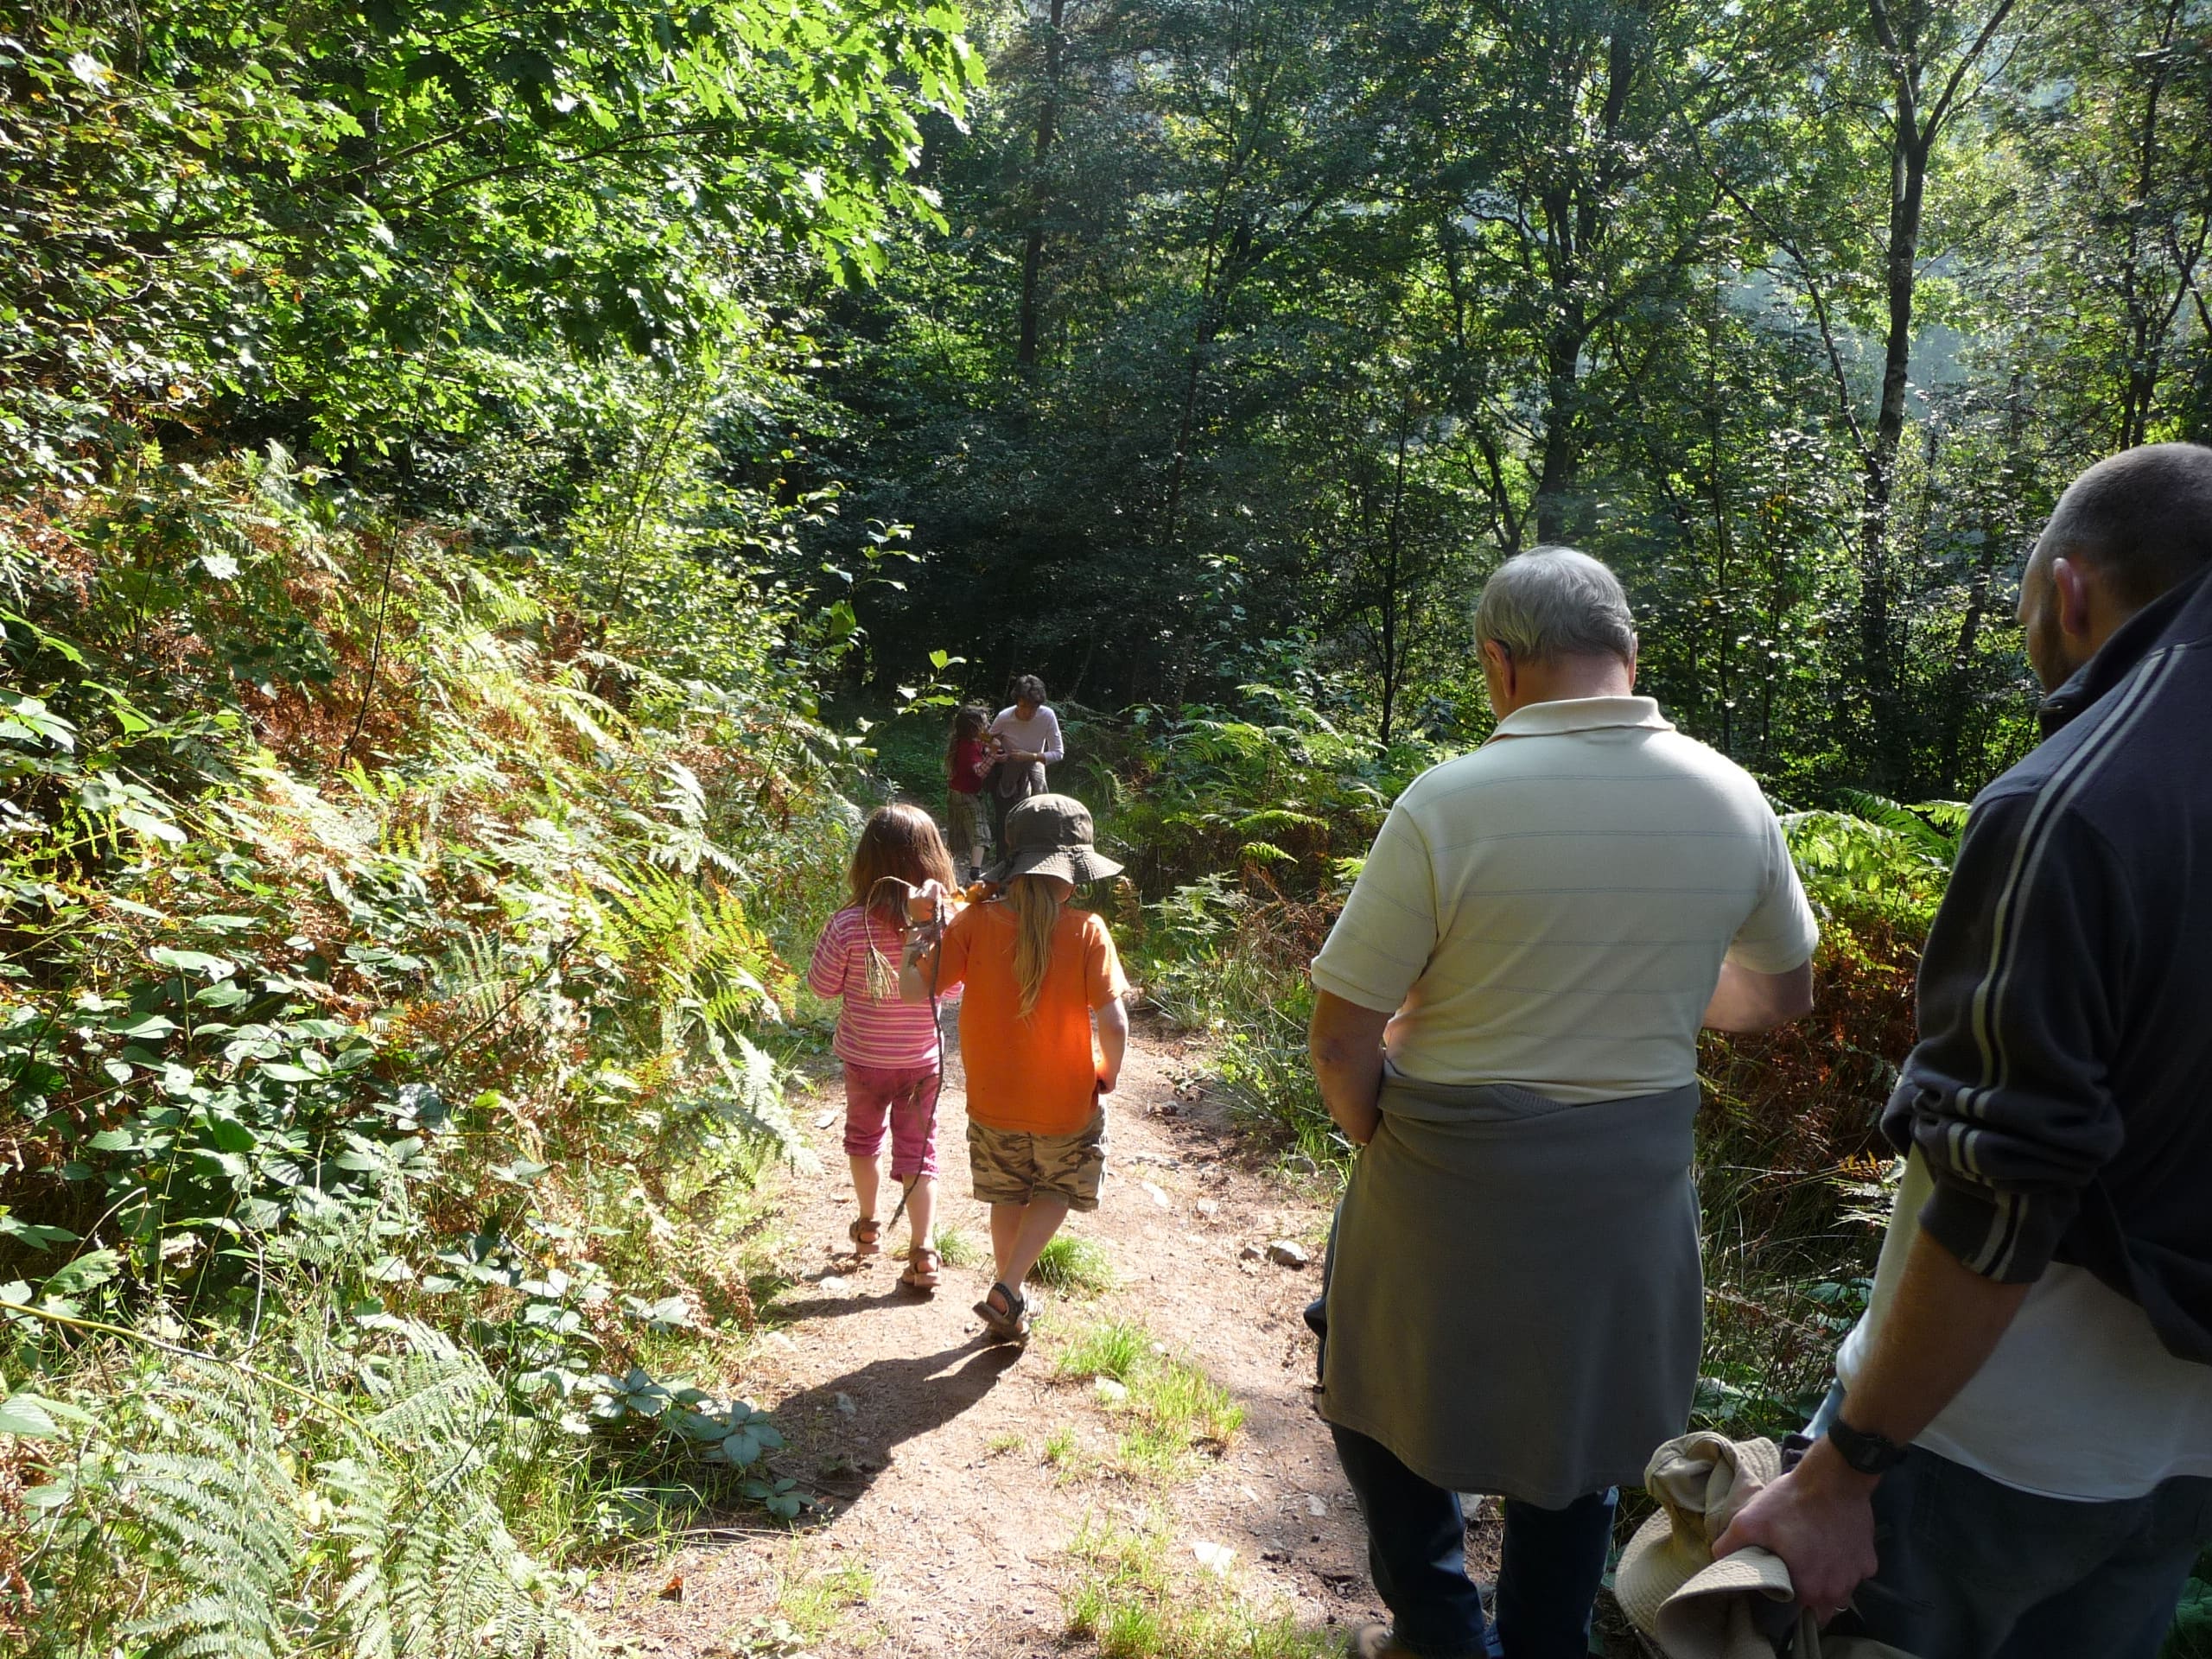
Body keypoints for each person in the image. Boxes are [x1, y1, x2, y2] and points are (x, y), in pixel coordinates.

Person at [1715, 442, 2212, 1659]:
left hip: (1986, 1442)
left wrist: (1843, 1472)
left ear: (2070, 589)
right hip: (2183, 1459)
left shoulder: (2072, 803)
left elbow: (2003, 1187)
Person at [1306, 547, 1819, 1659]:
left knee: (1374, 1398)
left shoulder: (1450, 801)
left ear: (1499, 662)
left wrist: (1377, 1135)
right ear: (1629, 653)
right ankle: (1542, 1642)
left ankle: (1442, 1634)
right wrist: (1663, 991)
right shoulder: (1729, 795)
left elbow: (1344, 1035)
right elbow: (1780, 994)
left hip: (1441, 1171)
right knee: (1583, 1431)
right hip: (1627, 1185)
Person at [901, 793, 1128, 1344]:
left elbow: (912, 990)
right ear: (1071, 875)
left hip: (992, 1102)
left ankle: (1011, 1300)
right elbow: (1115, 1023)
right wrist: (1107, 1071)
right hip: (1066, 1102)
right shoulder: (1087, 929)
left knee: (1009, 1195)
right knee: (1057, 1189)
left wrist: (920, 928)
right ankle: (1008, 1285)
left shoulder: (975, 921)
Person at [806, 804, 958, 1292]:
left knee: (863, 1140)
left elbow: (822, 986)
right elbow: (953, 991)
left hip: (864, 1060)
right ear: (933, 861)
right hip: (921, 1062)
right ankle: (924, 1251)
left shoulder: (849, 923)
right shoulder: (941, 924)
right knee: (920, 1152)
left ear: (866, 862)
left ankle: (869, 1225)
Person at [986, 675, 1064, 849]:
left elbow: (1058, 753)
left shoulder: (1047, 716)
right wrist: (997, 752)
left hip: (1035, 764)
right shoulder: (1005, 717)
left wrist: (1031, 756)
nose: (1028, 712)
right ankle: (1004, 858)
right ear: (1017, 702)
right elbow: (987, 743)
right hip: (1008, 769)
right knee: (1007, 816)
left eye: (1033, 708)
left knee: (1039, 802)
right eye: (1023, 706)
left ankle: (1035, 849)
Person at [945, 704, 993, 883]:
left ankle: (946, 871)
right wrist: (993, 755)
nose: (987, 726)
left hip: (955, 792)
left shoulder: (965, 742)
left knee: (957, 836)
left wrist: (989, 749)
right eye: (985, 723)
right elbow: (979, 771)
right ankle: (974, 875)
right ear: (974, 727)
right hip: (967, 795)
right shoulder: (969, 746)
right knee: (980, 833)